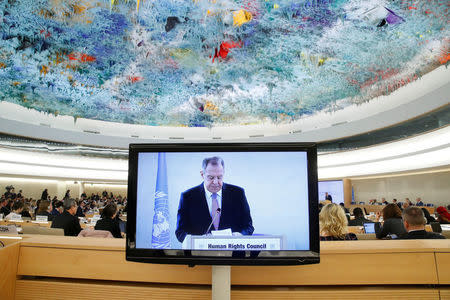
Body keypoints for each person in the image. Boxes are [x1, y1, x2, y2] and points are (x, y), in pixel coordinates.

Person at [175, 156, 254, 243]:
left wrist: (240, 236)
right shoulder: (188, 197)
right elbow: (180, 232)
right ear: (202, 175)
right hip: (199, 254)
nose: (215, 182)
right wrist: (198, 241)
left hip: (233, 253)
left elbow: (248, 227)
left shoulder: (238, 193)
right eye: (211, 177)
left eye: (219, 177)